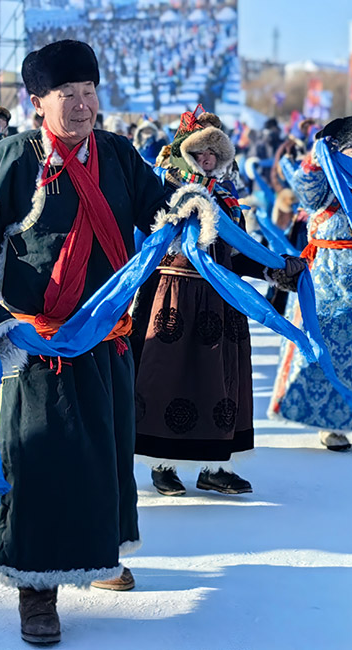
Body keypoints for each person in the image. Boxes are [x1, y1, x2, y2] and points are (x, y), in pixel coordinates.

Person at [0, 40, 168, 645]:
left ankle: (95, 553)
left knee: (103, 456)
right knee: (40, 461)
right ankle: (37, 588)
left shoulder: (118, 154)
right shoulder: (14, 157)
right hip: (38, 343)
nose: (82, 105)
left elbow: (161, 210)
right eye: (67, 94)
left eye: (89, 92)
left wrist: (191, 206)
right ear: (38, 101)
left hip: (107, 339)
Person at [131, 107, 305, 496]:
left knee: (219, 383)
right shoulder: (163, 192)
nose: (207, 158)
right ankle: (162, 464)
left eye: (214, 151)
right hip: (171, 297)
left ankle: (214, 466)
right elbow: (142, 245)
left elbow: (236, 255)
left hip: (220, 300)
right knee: (165, 377)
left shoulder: (226, 199)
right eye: (200, 150)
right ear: (184, 151)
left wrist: (274, 269)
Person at [269, 116, 352, 452]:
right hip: (329, 281)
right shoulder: (325, 184)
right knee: (331, 349)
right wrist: (316, 156)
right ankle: (331, 423)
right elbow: (305, 186)